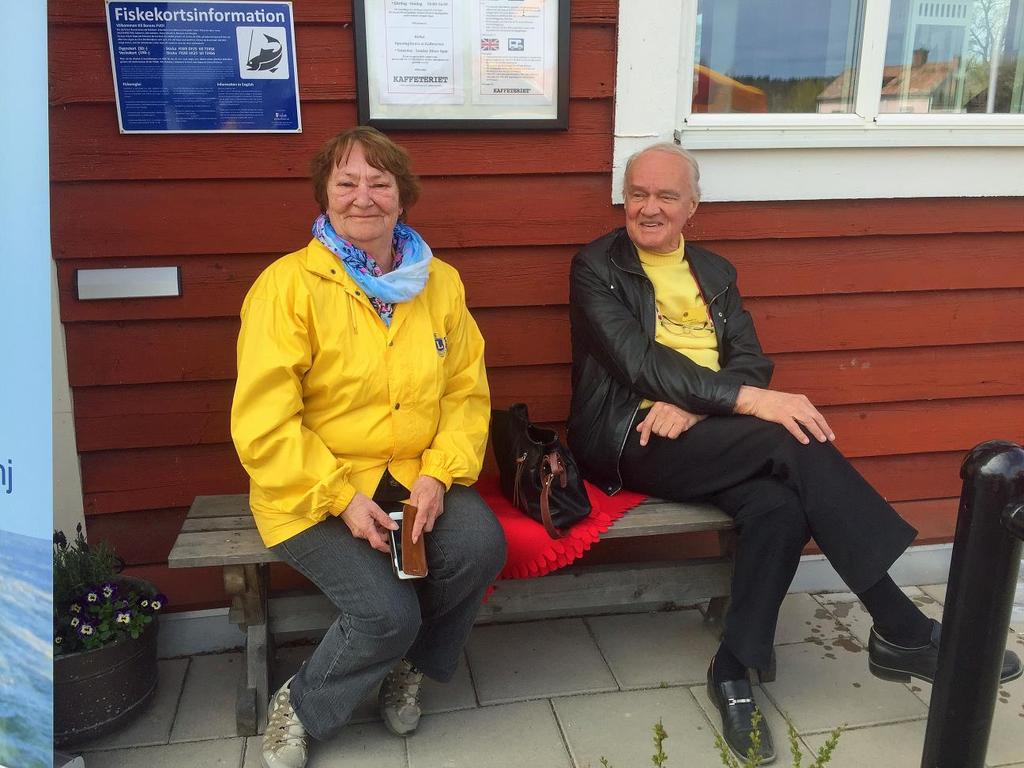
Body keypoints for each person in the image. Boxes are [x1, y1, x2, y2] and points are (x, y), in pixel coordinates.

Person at [567, 142, 1022, 763]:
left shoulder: (716, 273)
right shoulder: (596, 266)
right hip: (632, 435)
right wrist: (748, 402)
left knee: (779, 505)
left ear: (692, 206)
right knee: (786, 434)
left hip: (706, 428)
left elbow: (752, 361)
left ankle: (733, 669)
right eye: (637, 194)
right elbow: (638, 364)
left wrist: (709, 404)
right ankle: (899, 625)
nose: (648, 208)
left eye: (665, 196)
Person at [231, 127, 506, 768]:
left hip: (411, 473)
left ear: (401, 197)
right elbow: (264, 422)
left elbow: (467, 394)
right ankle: (300, 706)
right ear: (325, 195)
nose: (364, 197)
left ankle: (403, 669)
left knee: (478, 546)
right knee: (386, 611)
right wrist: (339, 498)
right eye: (347, 182)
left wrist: (439, 475)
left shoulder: (438, 283)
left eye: (380, 182)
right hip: (309, 485)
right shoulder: (287, 287)